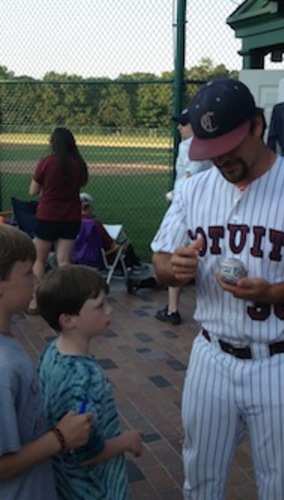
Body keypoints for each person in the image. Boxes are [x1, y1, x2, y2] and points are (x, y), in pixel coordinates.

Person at [151, 78, 284, 499]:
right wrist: (171, 268)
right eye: (210, 149)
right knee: (200, 477)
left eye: (229, 145)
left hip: (283, 360)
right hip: (211, 355)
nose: (220, 159)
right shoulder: (193, 190)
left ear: (257, 125)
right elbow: (160, 258)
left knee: (279, 486)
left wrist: (276, 293)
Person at [0, 224, 92, 499]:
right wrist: (60, 438)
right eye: (28, 273)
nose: (36, 281)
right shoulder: (3, 367)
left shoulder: (8, 344)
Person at [36, 264, 143, 499]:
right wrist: (127, 440)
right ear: (68, 320)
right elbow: (85, 453)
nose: (110, 311)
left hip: (64, 484)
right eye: (100, 306)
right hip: (94, 488)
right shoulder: (83, 378)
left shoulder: (51, 351)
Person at [156, 108, 212, 325]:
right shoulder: (209, 143)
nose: (179, 127)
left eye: (183, 123)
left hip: (185, 206)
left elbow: (192, 173)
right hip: (207, 207)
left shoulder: (190, 145)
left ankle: (173, 309)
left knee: (173, 254)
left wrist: (175, 193)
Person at [28, 127, 89, 314]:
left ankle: (36, 301)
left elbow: (33, 191)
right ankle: (65, 302)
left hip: (47, 216)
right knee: (64, 261)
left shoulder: (47, 163)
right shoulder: (78, 164)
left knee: (39, 260)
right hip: (71, 217)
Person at [79, 192, 147, 272]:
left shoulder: (71, 222)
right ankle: (133, 263)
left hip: (75, 258)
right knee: (124, 243)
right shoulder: (94, 224)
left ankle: (133, 263)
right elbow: (111, 245)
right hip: (99, 260)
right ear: (89, 206)